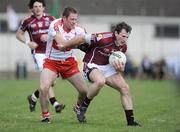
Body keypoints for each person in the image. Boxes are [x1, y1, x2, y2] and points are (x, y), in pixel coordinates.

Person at [58, 22, 141, 126]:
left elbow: (119, 70)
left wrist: (121, 68)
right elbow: (82, 37)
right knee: (100, 81)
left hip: (108, 68)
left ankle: (131, 122)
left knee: (125, 88)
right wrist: (65, 45)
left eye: (127, 37)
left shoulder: (123, 47)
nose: (125, 39)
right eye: (123, 36)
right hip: (92, 64)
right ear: (116, 33)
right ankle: (82, 108)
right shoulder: (103, 38)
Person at [39, 7, 88, 123]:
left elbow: (88, 44)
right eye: (72, 19)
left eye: (76, 19)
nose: (74, 22)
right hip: (52, 62)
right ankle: (45, 116)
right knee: (43, 88)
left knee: (84, 91)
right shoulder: (55, 25)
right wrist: (77, 43)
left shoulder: (80, 30)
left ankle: (77, 108)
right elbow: (61, 44)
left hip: (69, 63)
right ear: (64, 18)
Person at [16, 0, 65, 113]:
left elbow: (59, 32)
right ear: (32, 9)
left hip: (51, 53)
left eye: (40, 6)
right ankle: (55, 103)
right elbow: (18, 34)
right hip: (38, 54)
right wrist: (28, 42)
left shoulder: (51, 19)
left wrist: (48, 36)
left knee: (51, 82)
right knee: (47, 81)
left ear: (43, 8)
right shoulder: (27, 21)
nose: (37, 8)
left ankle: (33, 97)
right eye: (35, 6)